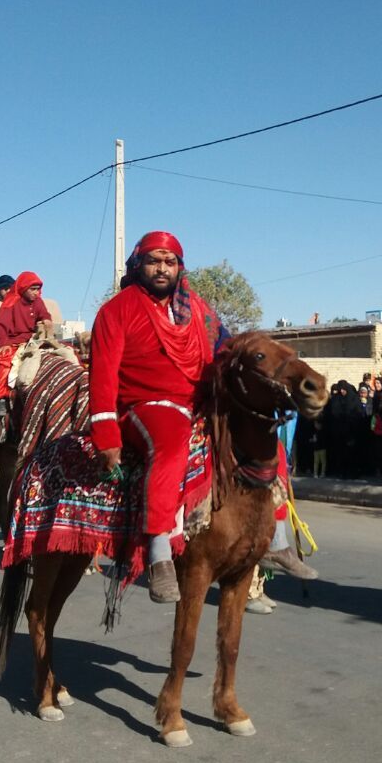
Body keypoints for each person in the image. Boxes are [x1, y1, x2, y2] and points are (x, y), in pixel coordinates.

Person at [89, 230, 228, 604]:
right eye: (154, 261)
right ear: (139, 265)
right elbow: (101, 375)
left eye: (170, 262)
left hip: (197, 402)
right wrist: (106, 435)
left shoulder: (198, 309)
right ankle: (159, 552)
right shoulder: (117, 310)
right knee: (170, 441)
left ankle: (275, 538)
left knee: (258, 439)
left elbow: (225, 348)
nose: (162, 268)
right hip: (146, 407)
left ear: (180, 268)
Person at [0, 272, 52, 413]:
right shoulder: (11, 303)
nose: (36, 292)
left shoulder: (38, 302)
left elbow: (44, 314)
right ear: (24, 288)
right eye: (33, 289)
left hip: (34, 340)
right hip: (14, 342)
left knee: (65, 352)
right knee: (3, 361)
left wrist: (47, 320)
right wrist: (3, 343)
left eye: (38, 289)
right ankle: (0, 397)